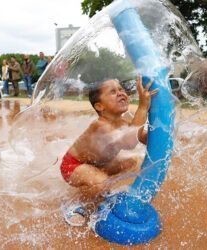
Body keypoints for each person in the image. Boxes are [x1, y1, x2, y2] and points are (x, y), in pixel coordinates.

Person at [60, 76, 158, 225]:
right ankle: (79, 205)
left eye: (121, 89)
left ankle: (95, 186)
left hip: (98, 165)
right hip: (73, 166)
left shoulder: (124, 121)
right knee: (101, 183)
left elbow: (142, 137)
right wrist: (143, 106)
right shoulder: (100, 126)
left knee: (133, 162)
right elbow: (130, 140)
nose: (120, 93)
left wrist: (159, 133)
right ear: (100, 106)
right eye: (112, 92)